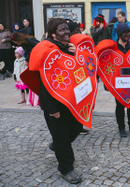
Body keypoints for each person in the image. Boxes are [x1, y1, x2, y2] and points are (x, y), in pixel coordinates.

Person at [23, 18, 83, 184]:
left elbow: (76, 71)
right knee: (62, 137)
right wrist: (52, 108)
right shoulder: (48, 50)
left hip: (70, 99)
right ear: (53, 34)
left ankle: (57, 144)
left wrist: (75, 53)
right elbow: (46, 83)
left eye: (67, 29)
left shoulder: (68, 47)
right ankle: (66, 169)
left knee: (77, 127)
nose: (67, 32)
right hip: (54, 103)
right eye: (62, 30)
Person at [67, 21, 90, 135]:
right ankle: (72, 127)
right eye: (76, 31)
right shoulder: (66, 45)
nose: (79, 33)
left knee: (81, 101)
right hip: (71, 80)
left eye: (79, 30)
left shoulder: (80, 44)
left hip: (81, 77)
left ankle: (79, 126)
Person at [11, 32, 40, 107]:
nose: (17, 43)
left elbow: (39, 48)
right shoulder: (24, 44)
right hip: (31, 63)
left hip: (37, 62)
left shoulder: (30, 40)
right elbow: (28, 53)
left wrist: (28, 59)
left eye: (16, 41)